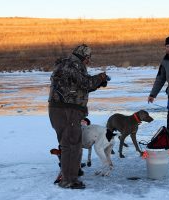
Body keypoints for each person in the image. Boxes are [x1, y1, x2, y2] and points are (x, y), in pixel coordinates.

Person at [48, 44, 109, 189]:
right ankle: (69, 180)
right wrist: (101, 77)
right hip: (68, 111)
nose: (88, 62)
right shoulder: (74, 64)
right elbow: (85, 82)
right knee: (73, 145)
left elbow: (77, 87)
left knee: (66, 143)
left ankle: (69, 175)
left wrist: (98, 84)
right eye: (88, 58)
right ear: (84, 56)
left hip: (58, 110)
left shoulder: (65, 64)